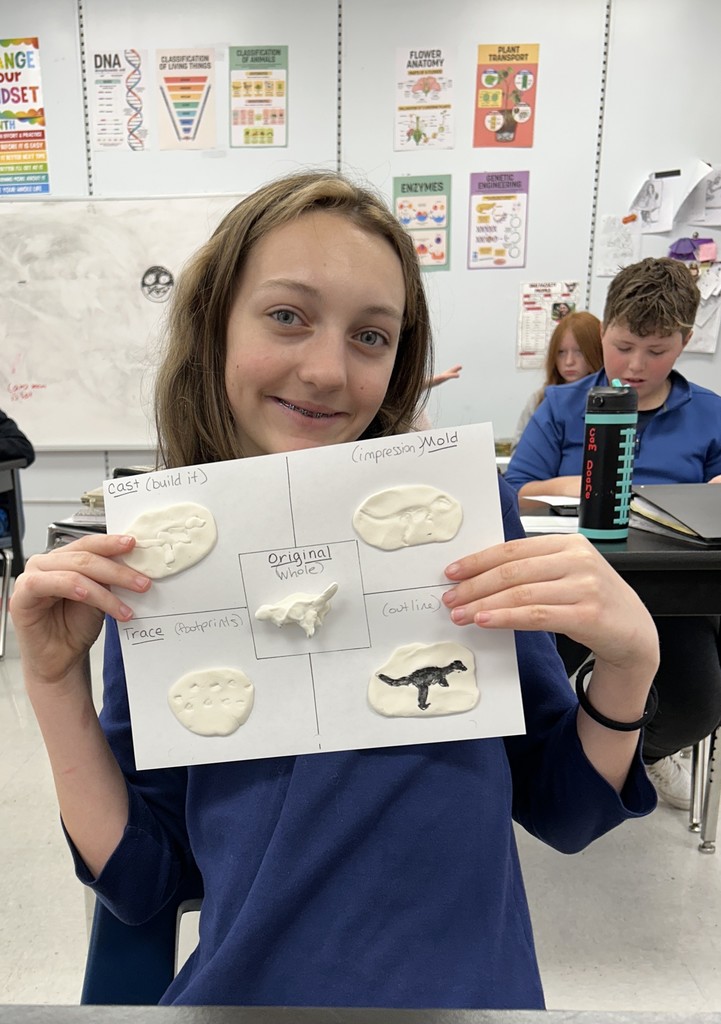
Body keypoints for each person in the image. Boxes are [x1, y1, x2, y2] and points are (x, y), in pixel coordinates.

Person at [10, 171, 658, 1011]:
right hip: (246, 1000)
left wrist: (629, 662)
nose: (325, 369)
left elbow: (563, 810)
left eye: (370, 336)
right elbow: (143, 880)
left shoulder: (456, 514)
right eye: (286, 316)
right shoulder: (162, 552)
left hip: (463, 997)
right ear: (214, 325)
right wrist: (54, 684)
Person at [506, 257, 721, 810]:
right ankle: (556, 764)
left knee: (698, 703)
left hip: (672, 600)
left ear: (685, 341)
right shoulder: (562, 406)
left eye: (658, 350)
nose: (636, 365)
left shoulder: (711, 415)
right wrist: (592, 484)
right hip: (566, 579)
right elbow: (520, 491)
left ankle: (634, 757)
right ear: (603, 331)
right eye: (623, 345)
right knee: (522, 684)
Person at [512, 312, 603, 451]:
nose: (569, 361)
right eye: (561, 352)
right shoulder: (539, 400)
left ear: (596, 352)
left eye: (579, 352)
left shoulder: (610, 401)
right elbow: (519, 452)